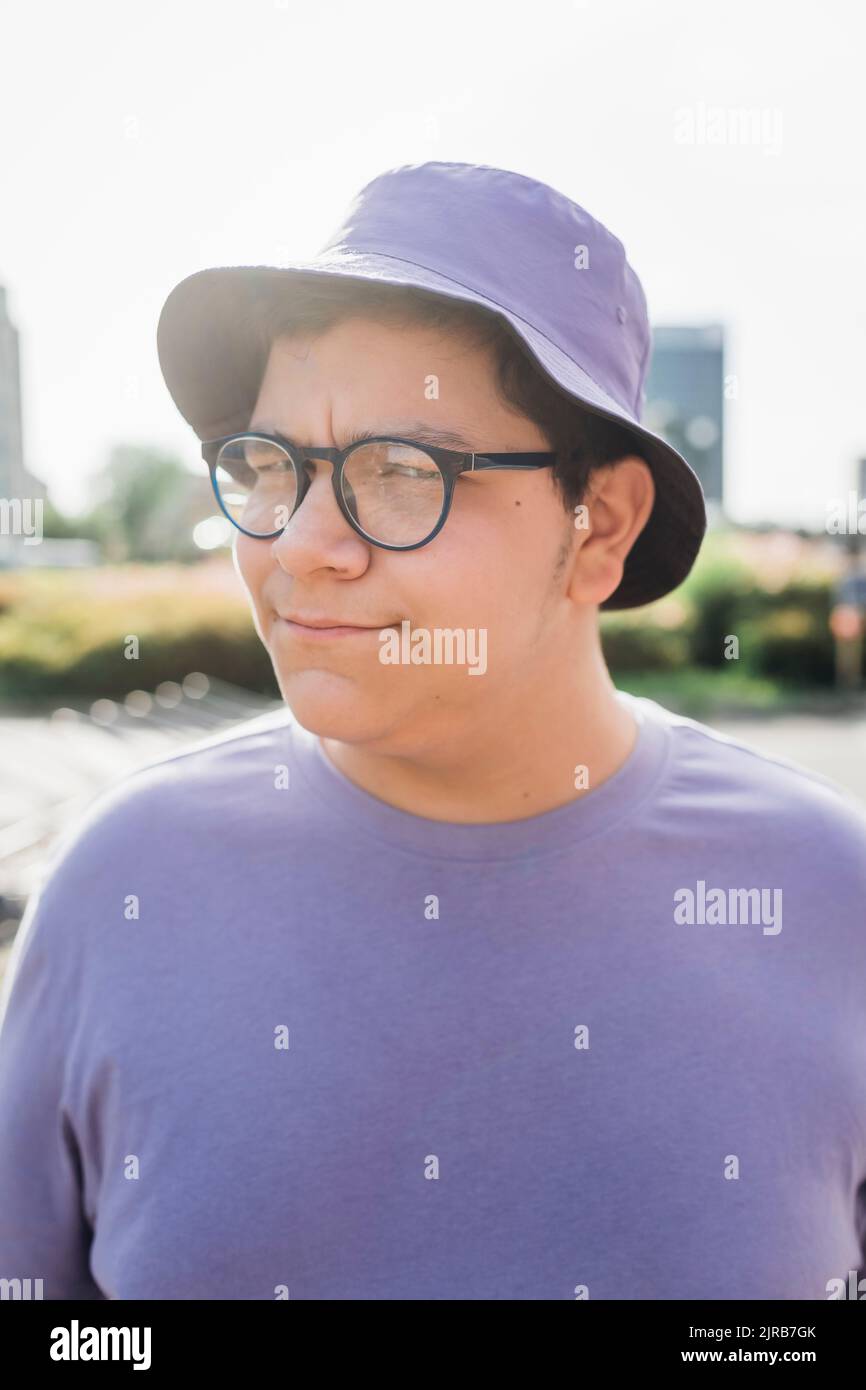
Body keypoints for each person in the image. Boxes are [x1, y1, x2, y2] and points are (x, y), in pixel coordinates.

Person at [1, 162, 865, 1301]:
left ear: (597, 521)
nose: (301, 544)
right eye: (268, 467)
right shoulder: (120, 890)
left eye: (399, 471)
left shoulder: (825, 896)